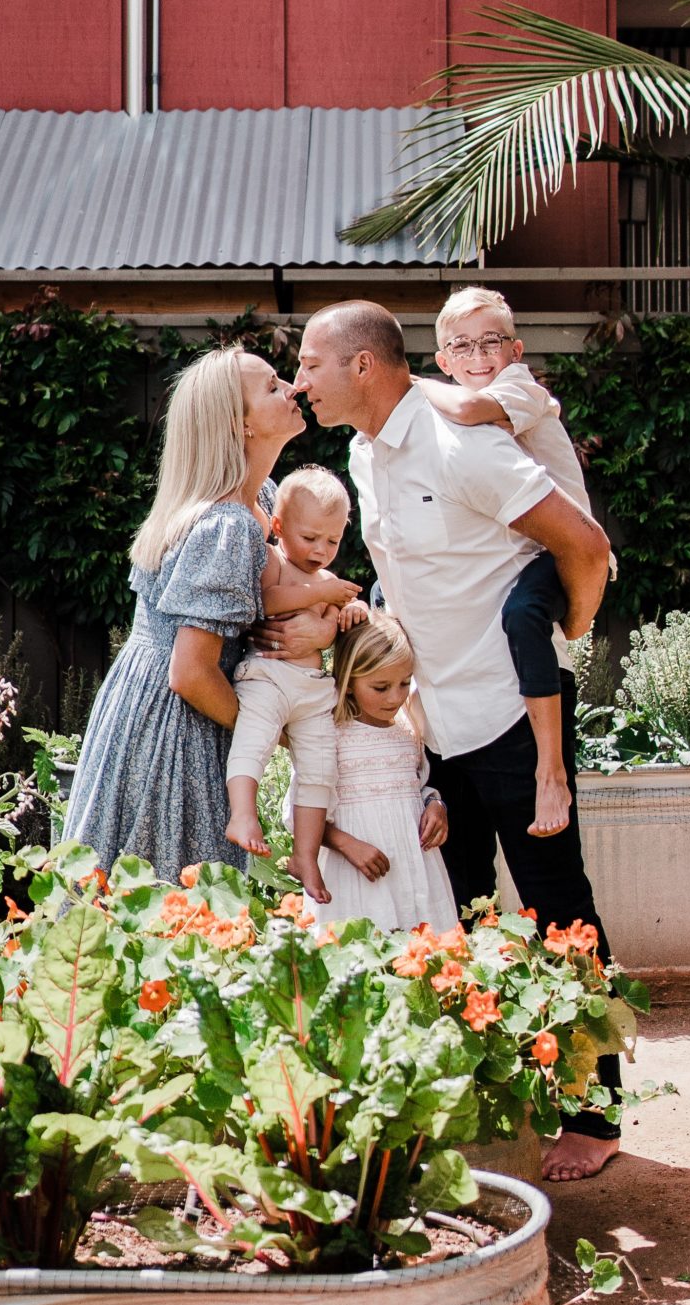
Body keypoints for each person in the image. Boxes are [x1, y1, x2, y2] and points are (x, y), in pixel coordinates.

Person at [290, 299, 622, 1183]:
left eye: (311, 364)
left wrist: (569, 631)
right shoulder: (362, 455)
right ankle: (478, 1109)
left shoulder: (462, 445)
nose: (301, 382)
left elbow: (583, 545)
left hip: (512, 721)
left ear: (362, 366)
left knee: (559, 915)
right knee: (458, 919)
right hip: (430, 734)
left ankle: (597, 1115)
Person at [64, 345, 315, 884]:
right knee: (172, 901)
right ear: (238, 425)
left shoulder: (260, 501)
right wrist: (272, 734)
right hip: (173, 726)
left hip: (144, 701)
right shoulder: (226, 524)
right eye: (272, 387)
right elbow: (192, 672)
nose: (293, 388)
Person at [418, 285, 593, 840]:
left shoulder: (518, 389)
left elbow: (469, 408)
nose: (478, 358)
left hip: (560, 551)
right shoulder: (447, 409)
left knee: (521, 616)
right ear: (445, 359)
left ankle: (551, 773)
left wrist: (409, 385)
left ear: (516, 351)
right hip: (525, 555)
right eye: (462, 348)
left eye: (491, 342)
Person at [223, 463, 365, 901]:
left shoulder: (329, 581)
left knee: (321, 768)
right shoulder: (273, 560)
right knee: (255, 740)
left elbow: (337, 622)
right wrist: (320, 594)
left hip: (311, 687)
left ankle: (305, 855)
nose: (321, 550)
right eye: (310, 538)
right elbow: (263, 602)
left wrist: (350, 614)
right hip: (267, 674)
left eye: (333, 541)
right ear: (280, 526)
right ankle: (242, 814)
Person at [311, 616, 457, 935]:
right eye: (381, 687)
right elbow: (298, 811)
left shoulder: (409, 728)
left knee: (422, 956)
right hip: (356, 873)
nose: (395, 697)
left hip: (415, 869)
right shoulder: (329, 733)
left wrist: (436, 806)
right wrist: (347, 844)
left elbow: (422, 787)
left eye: (404, 683)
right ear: (349, 681)